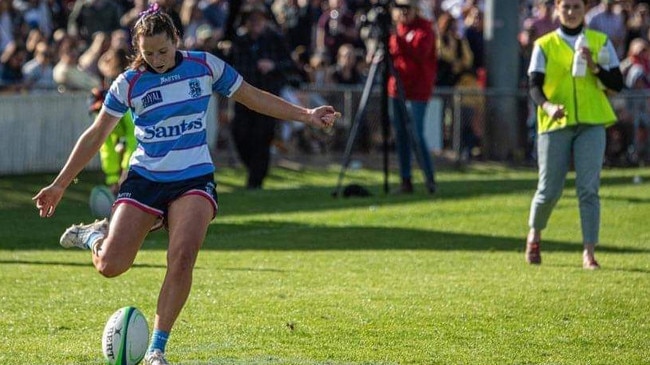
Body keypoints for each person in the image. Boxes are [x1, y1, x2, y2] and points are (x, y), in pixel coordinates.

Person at [32, 5, 339, 365]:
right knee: (111, 266)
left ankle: (156, 349)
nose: (157, 60)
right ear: (138, 51)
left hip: (193, 177)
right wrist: (59, 185)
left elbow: (253, 96)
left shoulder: (205, 66)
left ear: (176, 39)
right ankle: (94, 236)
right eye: (148, 54)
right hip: (145, 179)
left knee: (182, 257)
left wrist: (305, 114)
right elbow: (96, 134)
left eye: (163, 51)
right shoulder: (128, 83)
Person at [525, 0, 623, 270]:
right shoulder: (544, 45)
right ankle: (534, 234)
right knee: (549, 189)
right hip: (555, 122)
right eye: (565, 7)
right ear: (557, 9)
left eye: (576, 7)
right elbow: (534, 85)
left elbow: (617, 83)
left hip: (592, 121)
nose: (570, 12)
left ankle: (588, 252)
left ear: (584, 10)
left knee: (588, 190)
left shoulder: (600, 41)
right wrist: (547, 106)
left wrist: (594, 66)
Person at [388, 0, 437, 194]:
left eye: (407, 8)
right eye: (400, 8)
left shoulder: (425, 30)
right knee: (400, 136)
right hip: (396, 89)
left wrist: (397, 38)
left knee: (416, 135)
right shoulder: (397, 30)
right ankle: (405, 180)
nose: (403, 12)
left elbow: (419, 52)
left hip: (416, 91)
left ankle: (429, 178)